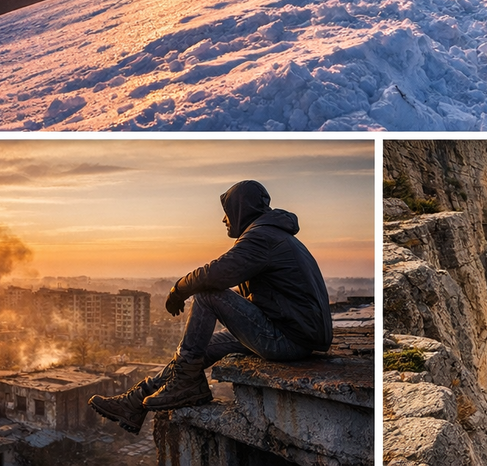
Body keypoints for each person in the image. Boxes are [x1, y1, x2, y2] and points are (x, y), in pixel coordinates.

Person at [88, 180, 332, 434]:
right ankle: (135, 401)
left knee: (206, 293)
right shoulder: (272, 234)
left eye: (227, 212)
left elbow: (213, 275)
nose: (224, 220)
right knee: (206, 346)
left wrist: (178, 290)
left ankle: (186, 386)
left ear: (241, 209)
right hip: (292, 334)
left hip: (289, 340)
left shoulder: (261, 237)